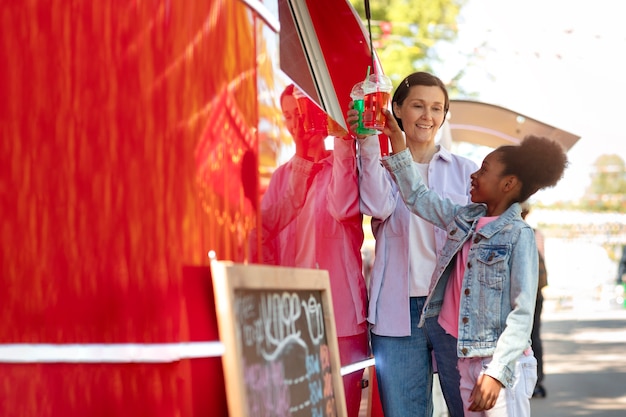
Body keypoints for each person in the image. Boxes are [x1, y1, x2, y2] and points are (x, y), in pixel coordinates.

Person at [380, 113, 568, 416]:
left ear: (508, 184)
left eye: (484, 169)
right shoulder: (466, 219)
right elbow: (418, 198)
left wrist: (496, 372)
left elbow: (522, 315)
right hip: (464, 358)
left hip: (499, 363)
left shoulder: (519, 236)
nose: (473, 174)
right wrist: (397, 141)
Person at [348, 72, 477, 417]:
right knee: (405, 411)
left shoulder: (467, 172)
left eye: (437, 108)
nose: (427, 116)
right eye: (418, 105)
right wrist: (369, 141)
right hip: (396, 310)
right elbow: (377, 206)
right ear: (398, 110)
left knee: (468, 408)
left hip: (453, 305)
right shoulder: (380, 168)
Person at [253, 84, 369, 417]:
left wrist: (342, 141)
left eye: (301, 113)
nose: (295, 123)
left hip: (341, 313)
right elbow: (267, 240)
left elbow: (345, 207)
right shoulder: (280, 179)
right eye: (289, 115)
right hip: (292, 315)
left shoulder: (345, 166)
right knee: (299, 409)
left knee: (340, 408)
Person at [520, 202, 548, 399]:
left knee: (527, 336)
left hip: (528, 292)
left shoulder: (519, 232)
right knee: (533, 336)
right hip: (535, 291)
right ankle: (536, 382)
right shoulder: (535, 233)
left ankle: (531, 381)